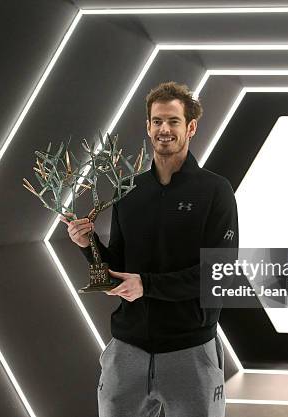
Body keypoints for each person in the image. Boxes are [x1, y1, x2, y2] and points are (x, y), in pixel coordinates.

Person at [60, 81, 238, 417]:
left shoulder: (216, 191)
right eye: (157, 121)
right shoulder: (128, 190)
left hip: (190, 350)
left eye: (173, 121)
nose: (164, 129)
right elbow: (118, 267)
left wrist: (147, 285)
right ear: (148, 126)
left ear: (191, 127)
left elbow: (219, 274)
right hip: (126, 352)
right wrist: (89, 245)